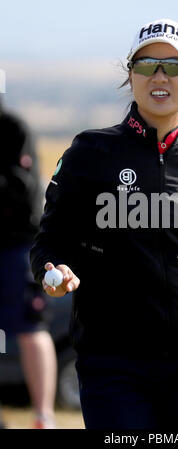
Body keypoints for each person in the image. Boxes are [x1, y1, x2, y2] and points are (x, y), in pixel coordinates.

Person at [30, 18, 178, 430]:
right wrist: (53, 271)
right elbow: (49, 242)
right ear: (130, 75)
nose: (159, 76)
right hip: (112, 364)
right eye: (146, 64)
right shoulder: (89, 153)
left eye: (173, 67)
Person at [0, 96, 57, 429]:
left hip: (16, 246)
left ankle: (44, 416)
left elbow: (26, 191)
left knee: (30, 326)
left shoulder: (12, 129)